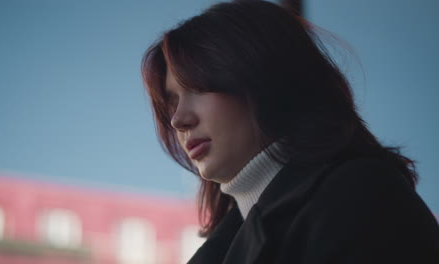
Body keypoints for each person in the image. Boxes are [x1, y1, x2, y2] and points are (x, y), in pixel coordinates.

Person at [141, 1, 439, 263]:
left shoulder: (359, 198)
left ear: (261, 78)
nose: (179, 120)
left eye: (196, 88)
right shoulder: (231, 240)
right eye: (173, 102)